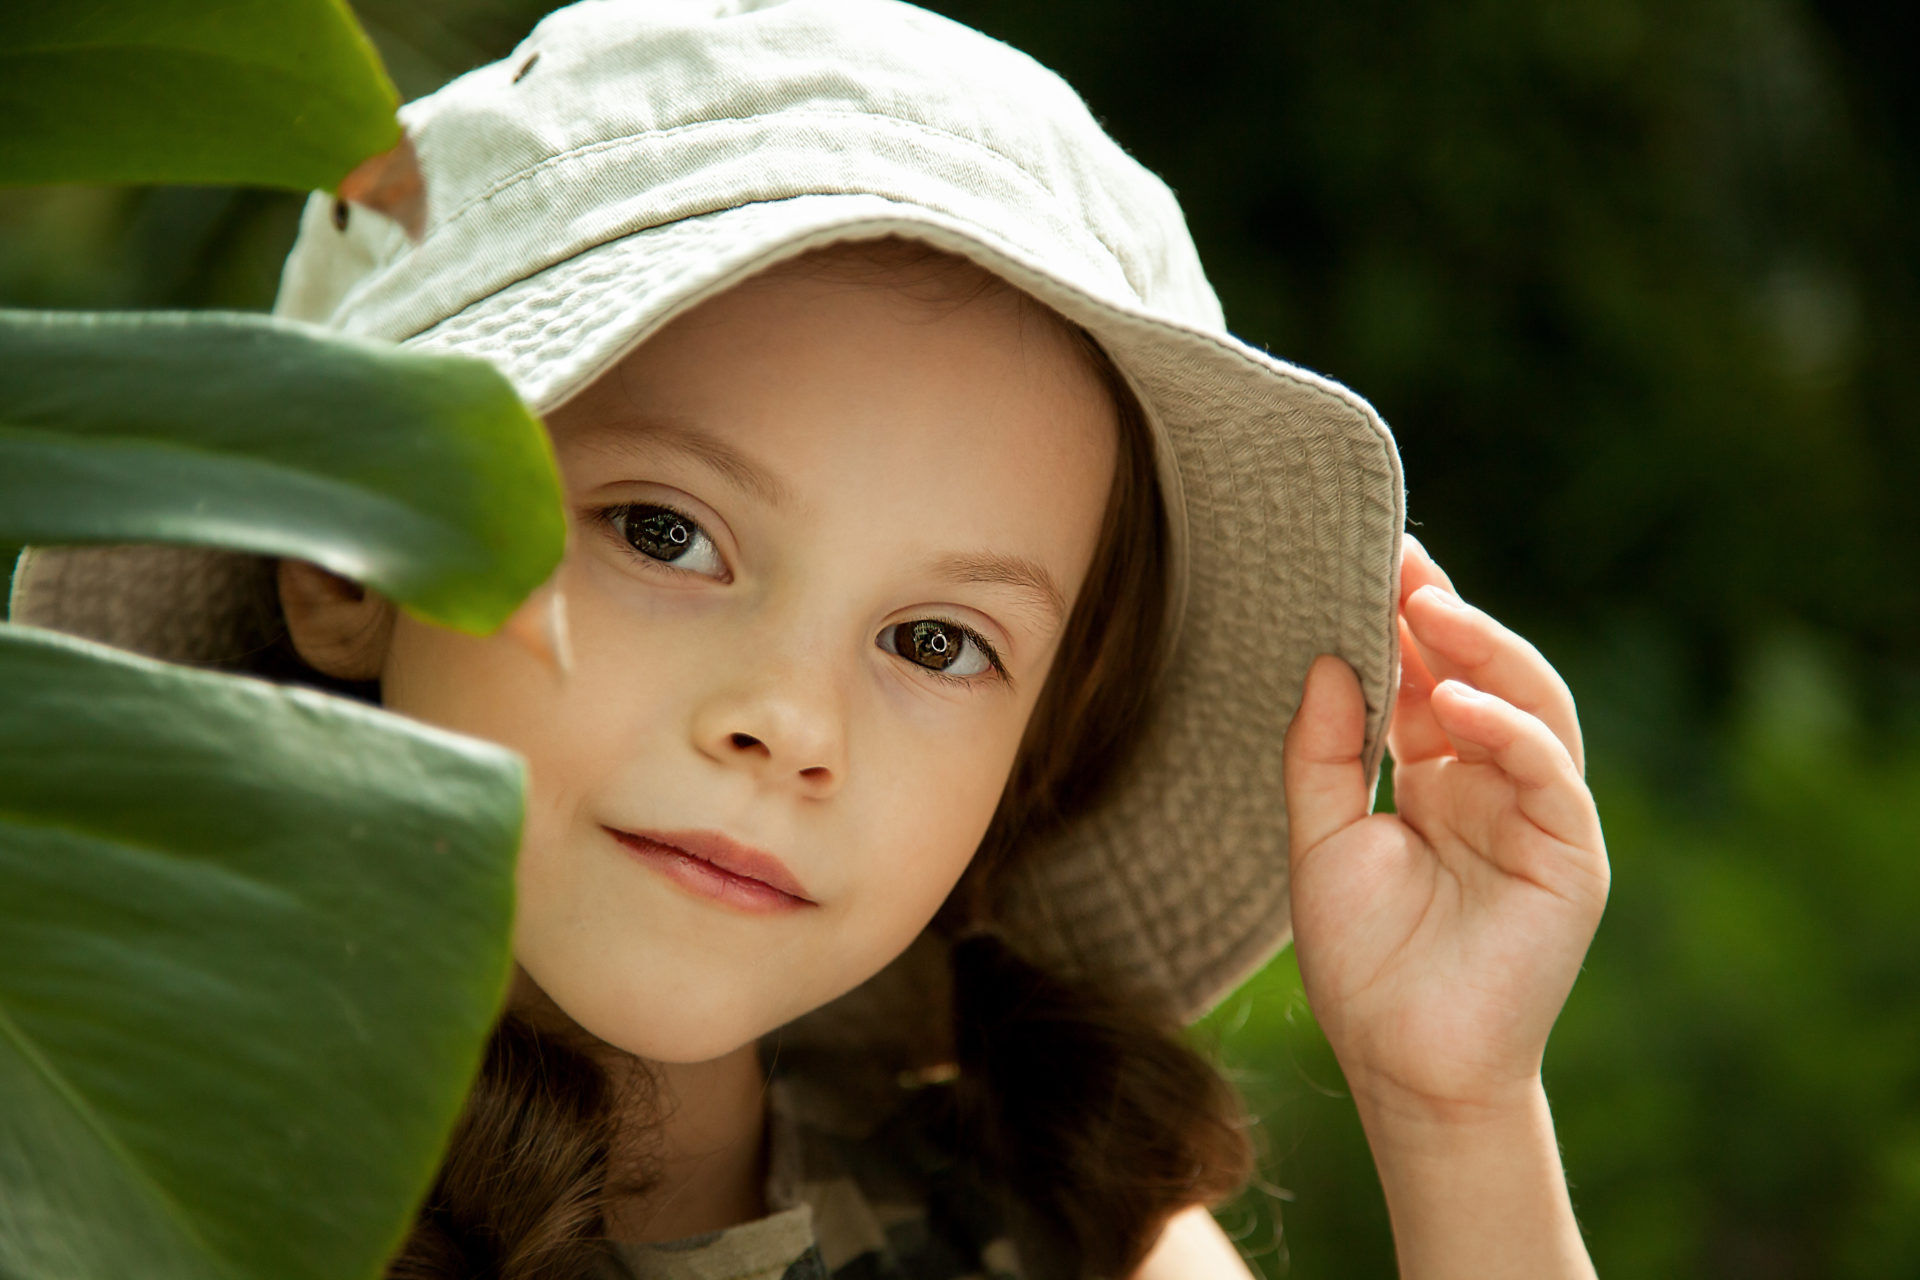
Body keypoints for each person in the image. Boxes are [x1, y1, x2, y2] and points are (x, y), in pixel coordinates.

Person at [10, 1, 1609, 1276]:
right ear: (348, 557)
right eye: (665, 534)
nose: (789, 720)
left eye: (932, 641)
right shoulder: (112, 1168)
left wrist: (1454, 1112)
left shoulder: (1022, 1209)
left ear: (1033, 758)